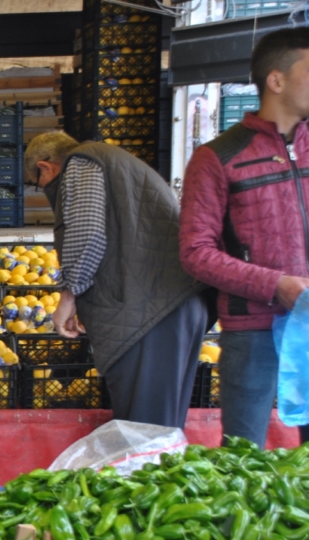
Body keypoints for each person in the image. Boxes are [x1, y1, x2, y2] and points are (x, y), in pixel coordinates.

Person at [180, 26, 309, 446]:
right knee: (244, 453)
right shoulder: (217, 158)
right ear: (276, 80)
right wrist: (275, 284)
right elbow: (195, 251)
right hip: (252, 329)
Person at [24, 132, 208, 428]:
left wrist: (68, 297)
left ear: (45, 167)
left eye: (38, 182)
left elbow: (87, 233)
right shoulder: (115, 163)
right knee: (163, 428)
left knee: (145, 431)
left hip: (148, 314)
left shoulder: (81, 162)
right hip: (169, 306)